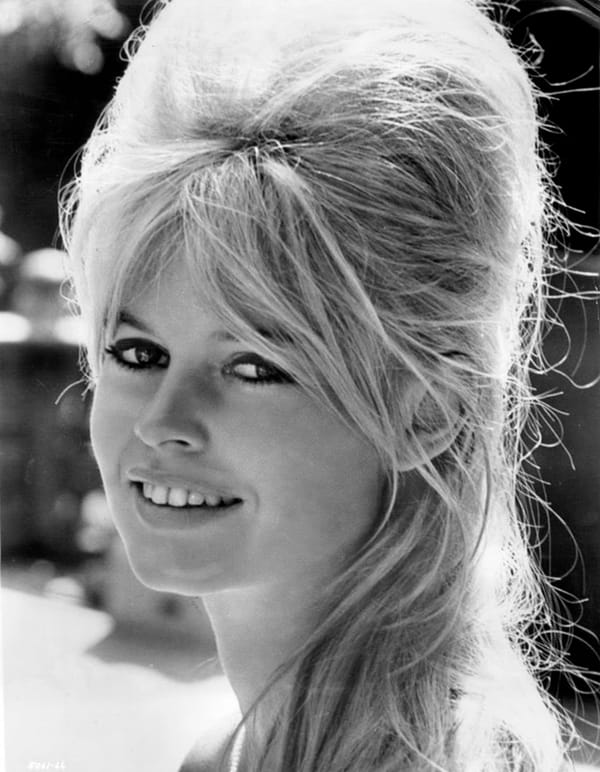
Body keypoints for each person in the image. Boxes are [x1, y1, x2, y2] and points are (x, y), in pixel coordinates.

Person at [60, 0, 581, 769]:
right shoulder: (226, 751)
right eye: (138, 354)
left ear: (426, 410)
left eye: (254, 367)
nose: (164, 422)